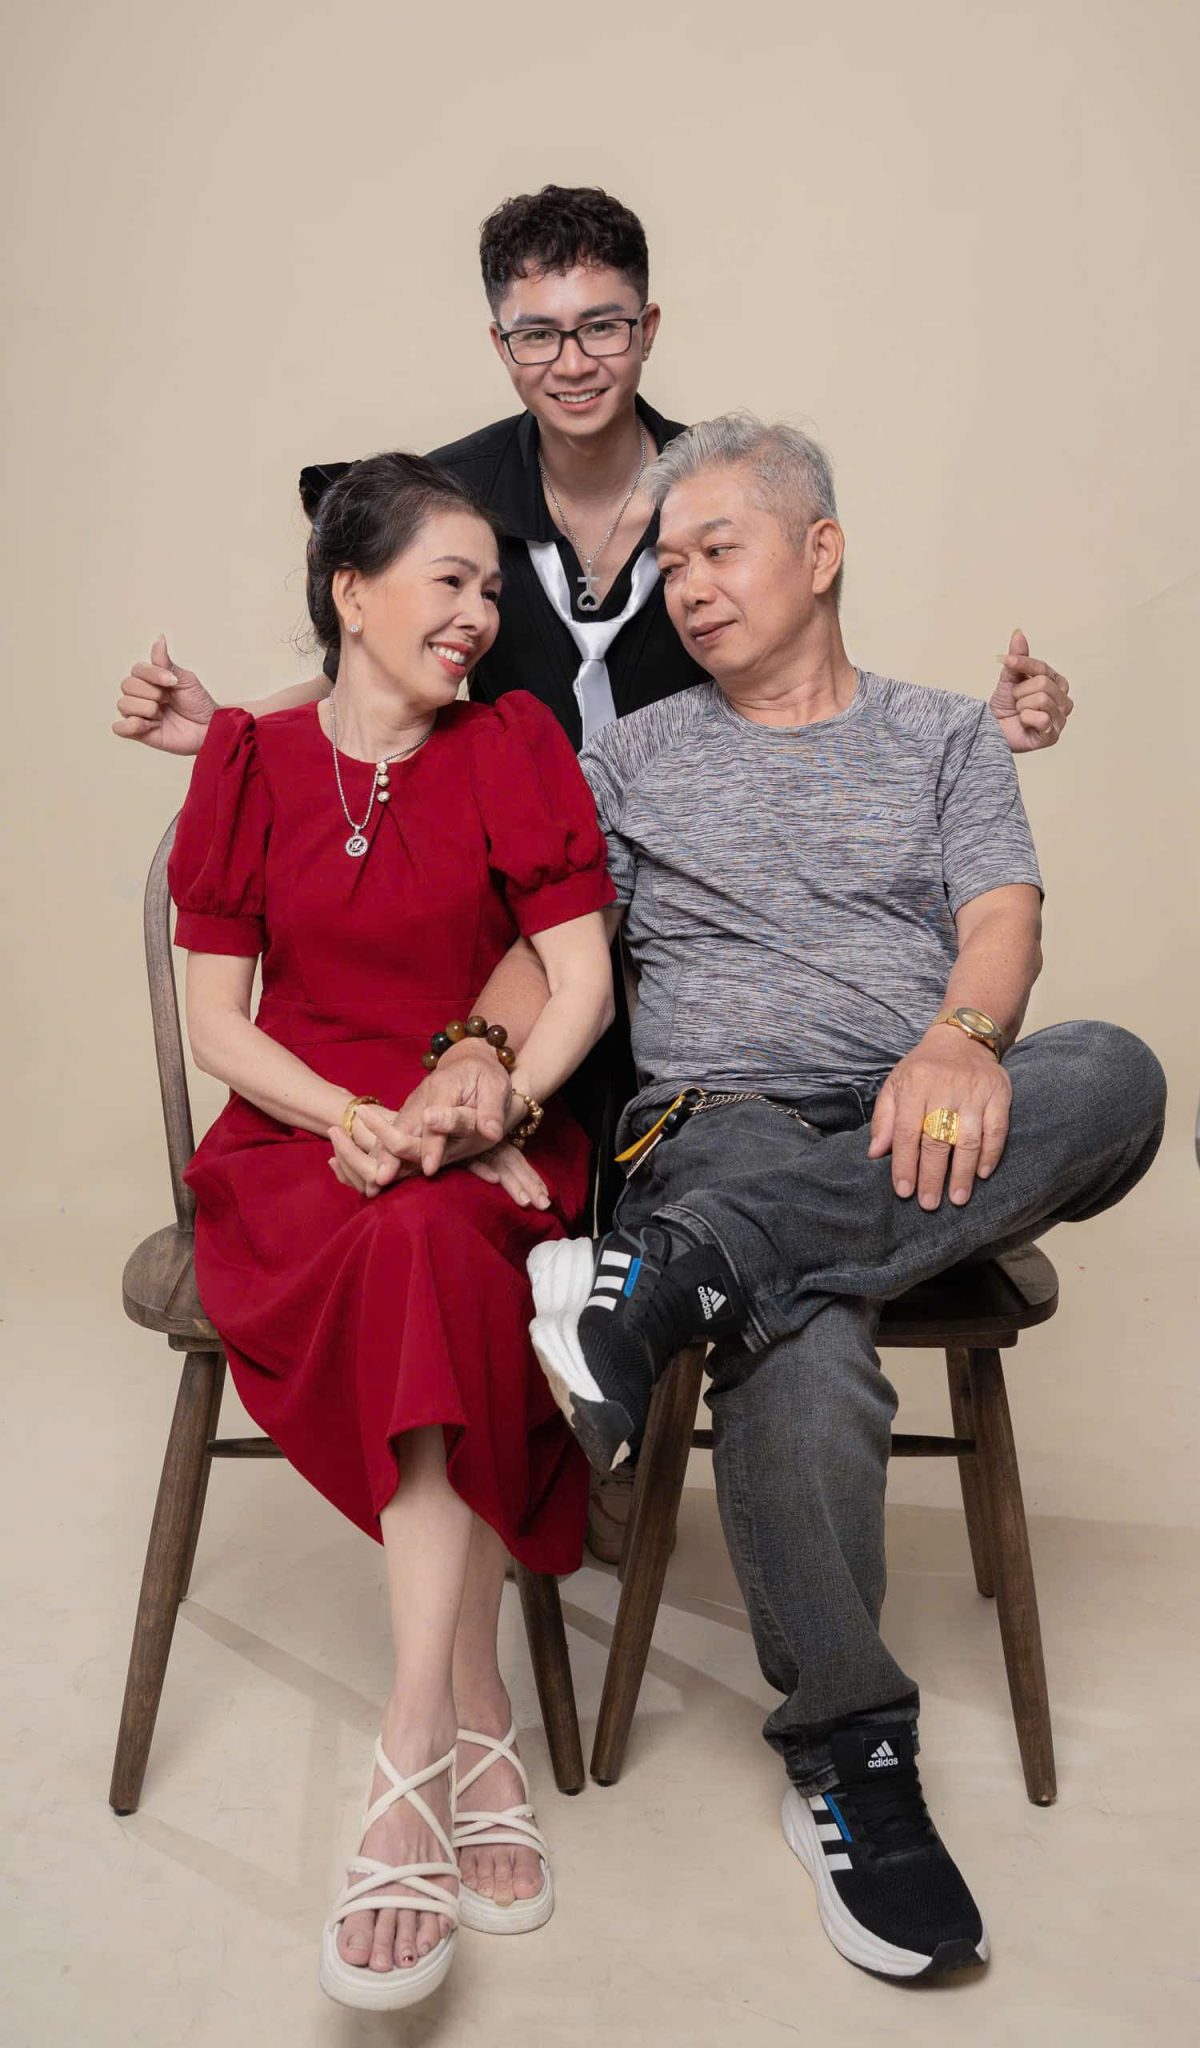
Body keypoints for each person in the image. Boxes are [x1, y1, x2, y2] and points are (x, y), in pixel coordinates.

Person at [113, 183, 1075, 1560]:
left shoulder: (716, 484)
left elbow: (814, 680)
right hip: (515, 904)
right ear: (499, 342)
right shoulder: (452, 495)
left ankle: (653, 1299)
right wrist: (237, 737)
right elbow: (373, 653)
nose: (572, 359)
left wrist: (983, 735)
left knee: (701, 1062)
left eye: (602, 326)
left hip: (687, 904)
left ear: (648, 326)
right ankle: (585, 1404)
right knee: (554, 1060)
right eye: (538, 333)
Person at [526, 415, 1167, 1982]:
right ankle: (855, 1757)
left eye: (718, 550)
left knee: (1118, 1072)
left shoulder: (945, 736)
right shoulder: (629, 757)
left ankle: (682, 1277)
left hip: (926, 1110)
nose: (688, 587)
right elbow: (556, 954)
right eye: (669, 563)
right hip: (721, 1123)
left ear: (819, 553)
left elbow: (1003, 922)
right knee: (806, 1352)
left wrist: (962, 1038)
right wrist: (479, 1064)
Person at [167, 451, 615, 2012]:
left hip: (479, 1132)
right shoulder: (246, 760)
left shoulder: (513, 745)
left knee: (434, 1242)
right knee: (413, 1248)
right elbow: (218, 1023)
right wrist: (342, 1117)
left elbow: (579, 981)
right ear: (351, 594)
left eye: (493, 587)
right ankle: (474, 1717)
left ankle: (409, 1742)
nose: (480, 614)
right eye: (451, 582)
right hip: (297, 1145)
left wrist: (499, 1103)